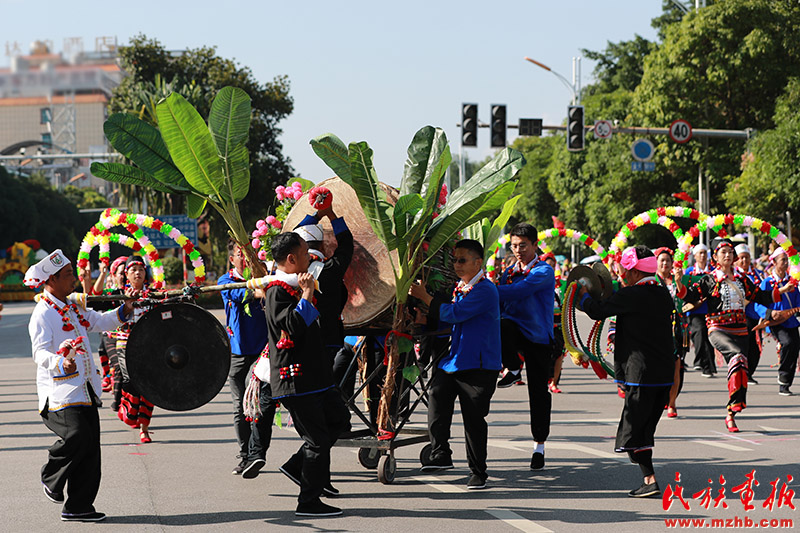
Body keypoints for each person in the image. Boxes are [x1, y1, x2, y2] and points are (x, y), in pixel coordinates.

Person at [25, 249, 137, 522]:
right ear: (50, 280)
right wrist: (60, 363)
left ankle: (78, 506)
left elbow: (100, 322)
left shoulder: (73, 306)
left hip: (85, 388)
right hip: (59, 394)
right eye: (68, 275)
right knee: (77, 436)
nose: (74, 279)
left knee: (91, 448)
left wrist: (126, 310)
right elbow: (39, 354)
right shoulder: (42, 314)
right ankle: (50, 476)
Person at [579, 246, 675, 498]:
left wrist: (580, 295)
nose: (621, 274)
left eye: (625, 270)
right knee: (642, 429)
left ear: (633, 272)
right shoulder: (662, 293)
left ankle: (650, 480)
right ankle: (648, 476)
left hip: (642, 374)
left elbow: (598, 310)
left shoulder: (634, 294)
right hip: (664, 375)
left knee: (635, 432)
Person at [265, 232, 350, 517]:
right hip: (296, 380)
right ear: (291, 259)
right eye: (304, 253)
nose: (309, 257)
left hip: (317, 378)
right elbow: (292, 324)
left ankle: (295, 465)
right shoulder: (277, 290)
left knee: (339, 420)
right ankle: (308, 502)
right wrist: (306, 294)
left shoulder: (292, 285)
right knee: (317, 440)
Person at [409, 239, 501, 490]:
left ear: (478, 262)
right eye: (455, 260)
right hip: (456, 361)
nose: (456, 265)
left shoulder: (485, 289)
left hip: (479, 365)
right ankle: (440, 454)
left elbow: (454, 314)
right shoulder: (461, 287)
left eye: (462, 260)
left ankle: (478, 472)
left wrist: (425, 297)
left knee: (473, 419)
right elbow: (449, 315)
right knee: (437, 393)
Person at [683, 240, 790, 432]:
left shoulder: (742, 280)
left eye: (730, 252)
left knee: (741, 368)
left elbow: (761, 296)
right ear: (715, 257)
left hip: (740, 330)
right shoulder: (709, 279)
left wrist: (782, 290)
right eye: (723, 252)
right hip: (718, 329)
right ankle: (732, 408)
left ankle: (731, 412)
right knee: (737, 357)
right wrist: (677, 282)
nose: (727, 255)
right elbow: (691, 296)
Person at [496, 223, 555, 470]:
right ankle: (513, 367)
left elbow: (517, 292)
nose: (517, 250)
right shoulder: (509, 272)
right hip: (515, 332)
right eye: (513, 246)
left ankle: (539, 447)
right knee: (500, 324)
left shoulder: (543, 271)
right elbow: (501, 300)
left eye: (522, 245)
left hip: (539, 338)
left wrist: (482, 289)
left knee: (539, 394)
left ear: (534, 245)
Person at [219, 240, 273, 478]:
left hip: (262, 352)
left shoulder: (264, 274)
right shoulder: (224, 280)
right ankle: (245, 455)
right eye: (241, 255)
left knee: (259, 403)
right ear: (232, 259)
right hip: (237, 352)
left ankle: (255, 454)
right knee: (240, 406)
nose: (246, 258)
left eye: (249, 253)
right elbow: (243, 293)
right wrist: (264, 290)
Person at [292, 203, 354, 394]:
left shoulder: (291, 270)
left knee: (306, 388)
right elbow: (346, 244)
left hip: (298, 340)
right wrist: (331, 215)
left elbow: (291, 235)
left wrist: (317, 215)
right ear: (323, 245)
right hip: (329, 339)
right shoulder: (331, 268)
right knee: (325, 387)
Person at [114, 256, 156, 443]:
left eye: (141, 269)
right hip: (125, 345)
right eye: (133, 270)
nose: (138, 273)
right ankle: (130, 413)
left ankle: (144, 429)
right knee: (130, 382)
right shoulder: (117, 294)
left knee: (149, 386)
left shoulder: (154, 294)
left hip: (149, 346)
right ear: (126, 274)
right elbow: (95, 295)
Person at [755, 248, 800, 396]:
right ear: (773, 262)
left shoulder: (791, 281)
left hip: (791, 320)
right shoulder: (767, 282)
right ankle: (783, 378)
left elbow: (797, 300)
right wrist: (769, 314)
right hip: (775, 322)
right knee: (787, 343)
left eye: (787, 260)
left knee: (795, 346)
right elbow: (758, 303)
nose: (786, 263)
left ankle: (786, 382)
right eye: (783, 260)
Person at [654, 248, 688, 418]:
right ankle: (657, 400)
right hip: (655, 328)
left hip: (675, 330)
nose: (665, 263)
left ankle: (672, 403)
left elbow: (684, 296)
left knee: (676, 367)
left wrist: (679, 281)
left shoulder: (676, 281)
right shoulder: (651, 281)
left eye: (668, 260)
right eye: (662, 260)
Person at [735, 243, 764, 384]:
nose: (744, 261)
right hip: (739, 315)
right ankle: (743, 373)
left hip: (755, 314)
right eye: (741, 258)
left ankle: (749, 372)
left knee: (756, 347)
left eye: (746, 258)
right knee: (743, 346)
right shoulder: (734, 274)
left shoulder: (757, 274)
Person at [684, 243, 715, 377]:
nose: (702, 256)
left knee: (710, 337)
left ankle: (707, 366)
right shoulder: (689, 272)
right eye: (700, 253)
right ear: (695, 256)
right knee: (699, 332)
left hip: (711, 309)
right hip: (695, 310)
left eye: (704, 253)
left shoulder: (713, 270)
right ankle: (701, 362)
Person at [542, 252, 566, 393]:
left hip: (558, 328)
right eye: (547, 265)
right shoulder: (537, 282)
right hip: (543, 328)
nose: (550, 268)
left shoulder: (560, 285)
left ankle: (555, 383)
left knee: (559, 355)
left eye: (552, 266)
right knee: (545, 356)